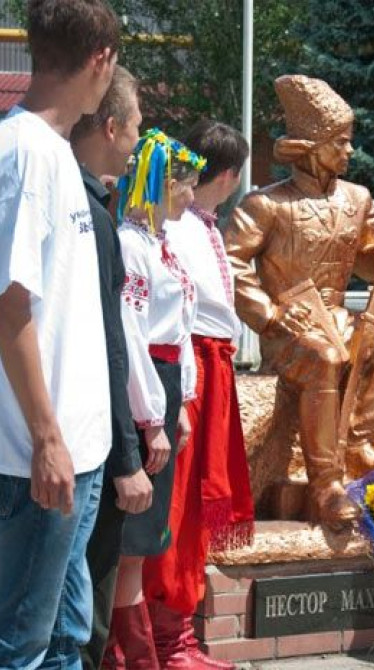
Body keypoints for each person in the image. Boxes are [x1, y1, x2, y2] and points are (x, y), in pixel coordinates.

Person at [226, 74, 374, 526]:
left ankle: (358, 438)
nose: (349, 151)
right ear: (311, 145)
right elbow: (231, 264)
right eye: (340, 142)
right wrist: (271, 314)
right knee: (324, 358)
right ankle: (326, 486)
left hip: (341, 317)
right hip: (291, 333)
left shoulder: (358, 199)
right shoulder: (267, 205)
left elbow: (370, 269)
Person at [0, 2, 119, 668]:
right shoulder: (23, 153)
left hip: (76, 456)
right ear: (100, 60)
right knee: (20, 646)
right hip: (33, 463)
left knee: (63, 641)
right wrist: (47, 438)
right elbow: (9, 307)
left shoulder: (55, 153)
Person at [142, 120, 253, 670]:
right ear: (231, 175)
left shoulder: (202, 225)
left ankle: (177, 633)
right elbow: (177, 315)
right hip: (194, 368)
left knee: (196, 503)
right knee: (180, 502)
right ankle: (164, 636)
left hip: (213, 364)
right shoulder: (179, 229)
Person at [107, 129, 204, 667]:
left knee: (143, 538)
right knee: (131, 536)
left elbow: (180, 331)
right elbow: (133, 334)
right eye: (186, 187)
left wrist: (182, 402)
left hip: (164, 386)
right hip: (143, 386)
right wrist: (151, 417)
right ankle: (126, 657)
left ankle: (130, 653)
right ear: (163, 185)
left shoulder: (161, 247)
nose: (192, 197)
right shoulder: (130, 245)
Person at [69, 64, 155, 670]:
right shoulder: (91, 213)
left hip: (70, 438)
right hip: (72, 444)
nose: (136, 147)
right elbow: (106, 340)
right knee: (70, 621)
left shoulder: (89, 201)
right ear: (111, 124)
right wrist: (127, 457)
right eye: (136, 131)